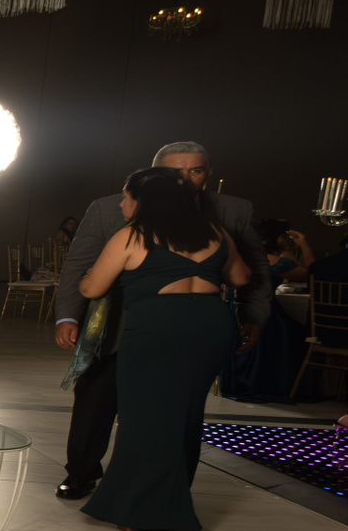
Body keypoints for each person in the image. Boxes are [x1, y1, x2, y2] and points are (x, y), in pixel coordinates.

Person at [51, 141, 268, 500]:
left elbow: (256, 271)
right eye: (175, 172)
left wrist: (252, 316)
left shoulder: (231, 211)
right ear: (156, 173)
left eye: (194, 170)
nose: (184, 178)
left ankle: (139, 494)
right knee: (105, 399)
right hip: (134, 327)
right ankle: (87, 474)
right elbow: (77, 263)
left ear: (207, 173)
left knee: (161, 414)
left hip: (156, 328)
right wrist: (67, 316)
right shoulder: (110, 208)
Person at [77, 167, 250, 531]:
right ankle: (161, 503)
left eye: (126, 197)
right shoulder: (215, 231)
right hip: (210, 324)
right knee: (186, 414)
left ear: (144, 201)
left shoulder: (133, 235)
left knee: (142, 416)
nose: (122, 204)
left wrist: (88, 275)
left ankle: (136, 510)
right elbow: (240, 277)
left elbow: (93, 289)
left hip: (158, 326)